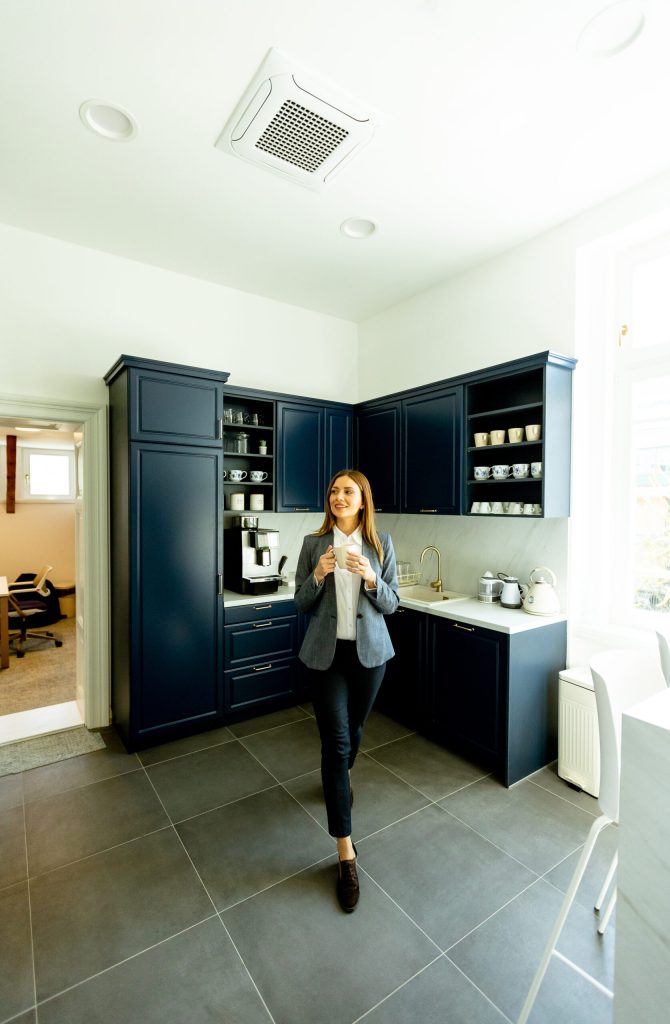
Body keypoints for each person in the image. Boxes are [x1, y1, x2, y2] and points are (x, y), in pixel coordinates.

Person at [294, 469, 399, 912]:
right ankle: (345, 853)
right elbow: (300, 603)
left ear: (362, 501)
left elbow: (393, 603)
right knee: (335, 745)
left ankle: (342, 778)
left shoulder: (381, 545)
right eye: (334, 491)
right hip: (326, 658)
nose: (339, 497)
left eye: (348, 492)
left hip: (370, 657)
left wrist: (372, 580)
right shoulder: (313, 545)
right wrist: (318, 575)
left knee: (354, 733)